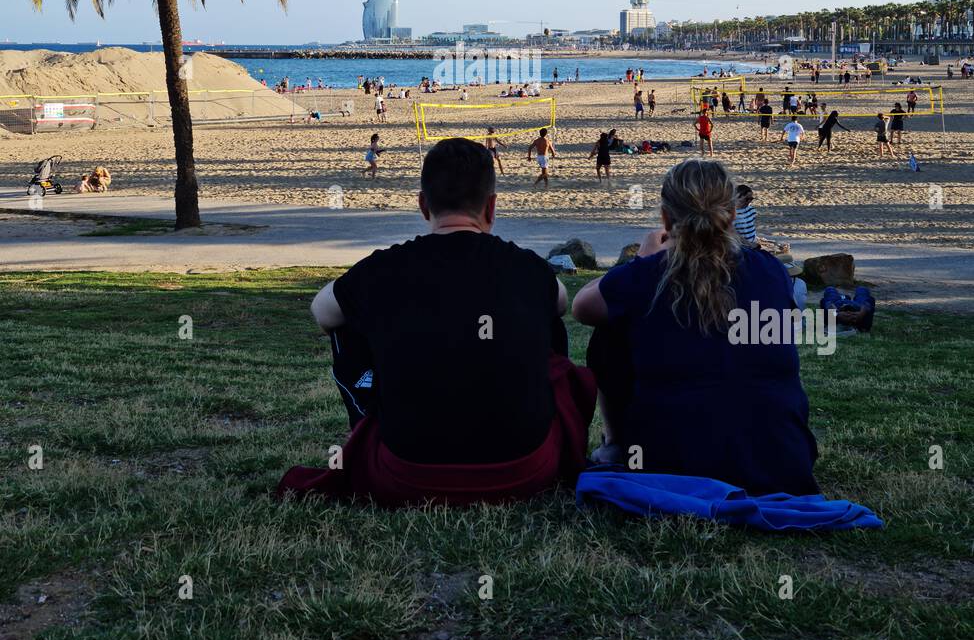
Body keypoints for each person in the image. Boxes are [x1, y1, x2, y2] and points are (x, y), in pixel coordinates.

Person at [279, 139, 596, 506]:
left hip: (405, 476)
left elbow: (323, 312)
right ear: (491, 207)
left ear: (422, 205)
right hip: (527, 471)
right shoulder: (526, 268)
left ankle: (368, 420)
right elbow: (560, 301)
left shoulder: (384, 269)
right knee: (549, 330)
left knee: (345, 321)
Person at [571, 159, 818, 494]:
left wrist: (641, 261)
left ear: (665, 218)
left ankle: (615, 443)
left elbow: (581, 307)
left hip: (669, 463)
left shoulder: (647, 275)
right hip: (781, 461)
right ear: (731, 215)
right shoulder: (769, 270)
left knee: (610, 329)